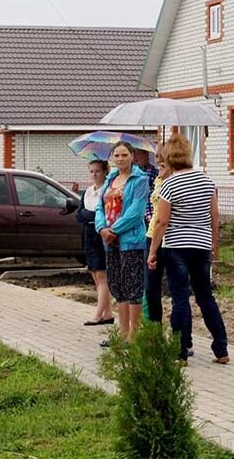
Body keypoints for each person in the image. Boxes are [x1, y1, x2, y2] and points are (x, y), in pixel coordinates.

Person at [148, 133, 229, 365]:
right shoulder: (206, 181)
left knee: (180, 298)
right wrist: (214, 244)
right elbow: (214, 216)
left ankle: (180, 353)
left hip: (176, 247)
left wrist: (153, 251)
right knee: (206, 297)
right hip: (201, 245)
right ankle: (221, 348)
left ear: (169, 158)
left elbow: (162, 222)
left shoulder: (169, 184)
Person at [94, 142, 150, 342]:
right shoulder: (110, 180)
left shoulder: (140, 180)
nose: (120, 159)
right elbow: (100, 207)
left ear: (132, 156)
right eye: (116, 155)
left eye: (124, 155)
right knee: (118, 286)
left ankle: (134, 335)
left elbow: (136, 212)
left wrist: (114, 230)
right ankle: (123, 332)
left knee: (133, 287)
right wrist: (101, 228)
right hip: (110, 242)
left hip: (130, 241)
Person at [77, 159, 114, 326]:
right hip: (88, 233)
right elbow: (79, 214)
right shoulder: (88, 192)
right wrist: (90, 214)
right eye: (91, 171)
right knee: (93, 272)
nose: (94, 174)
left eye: (97, 171)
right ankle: (108, 313)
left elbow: (104, 214)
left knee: (101, 275)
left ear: (105, 171)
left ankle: (98, 314)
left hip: (101, 233)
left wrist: (91, 214)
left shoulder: (107, 190)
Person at [144, 145, 171, 325]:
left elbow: (163, 218)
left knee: (176, 288)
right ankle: (154, 330)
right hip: (152, 234)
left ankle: (182, 339)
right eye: (156, 158)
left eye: (161, 159)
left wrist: (153, 249)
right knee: (150, 287)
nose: (157, 162)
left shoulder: (173, 183)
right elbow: (154, 210)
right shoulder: (158, 181)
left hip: (168, 237)